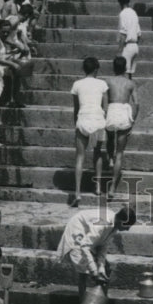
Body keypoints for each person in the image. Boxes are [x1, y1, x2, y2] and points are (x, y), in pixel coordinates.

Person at [57, 205, 136, 304]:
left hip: (89, 234)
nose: (128, 229)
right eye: (128, 226)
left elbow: (103, 246)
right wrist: (94, 268)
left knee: (106, 270)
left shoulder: (114, 226)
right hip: (78, 228)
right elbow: (84, 246)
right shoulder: (103, 223)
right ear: (121, 221)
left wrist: (101, 267)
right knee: (84, 272)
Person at [70, 56, 109, 204]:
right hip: (98, 120)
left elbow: (76, 108)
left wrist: (77, 123)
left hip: (83, 120)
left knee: (80, 156)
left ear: (84, 69)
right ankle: (98, 186)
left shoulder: (77, 84)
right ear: (96, 69)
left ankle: (78, 192)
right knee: (97, 154)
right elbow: (105, 107)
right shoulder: (102, 84)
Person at [105, 56, 140, 197]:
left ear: (113, 68)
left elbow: (105, 103)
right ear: (126, 68)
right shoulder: (130, 83)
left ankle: (110, 158)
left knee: (109, 138)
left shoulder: (108, 81)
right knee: (120, 153)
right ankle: (112, 188)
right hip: (124, 113)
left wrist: (104, 116)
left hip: (112, 111)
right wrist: (133, 120)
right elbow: (137, 103)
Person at [116, 0, 141, 78]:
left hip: (127, 47)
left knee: (124, 76)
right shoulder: (134, 13)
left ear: (119, 2)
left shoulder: (123, 14)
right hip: (135, 47)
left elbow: (123, 34)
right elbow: (139, 34)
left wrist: (119, 52)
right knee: (130, 76)